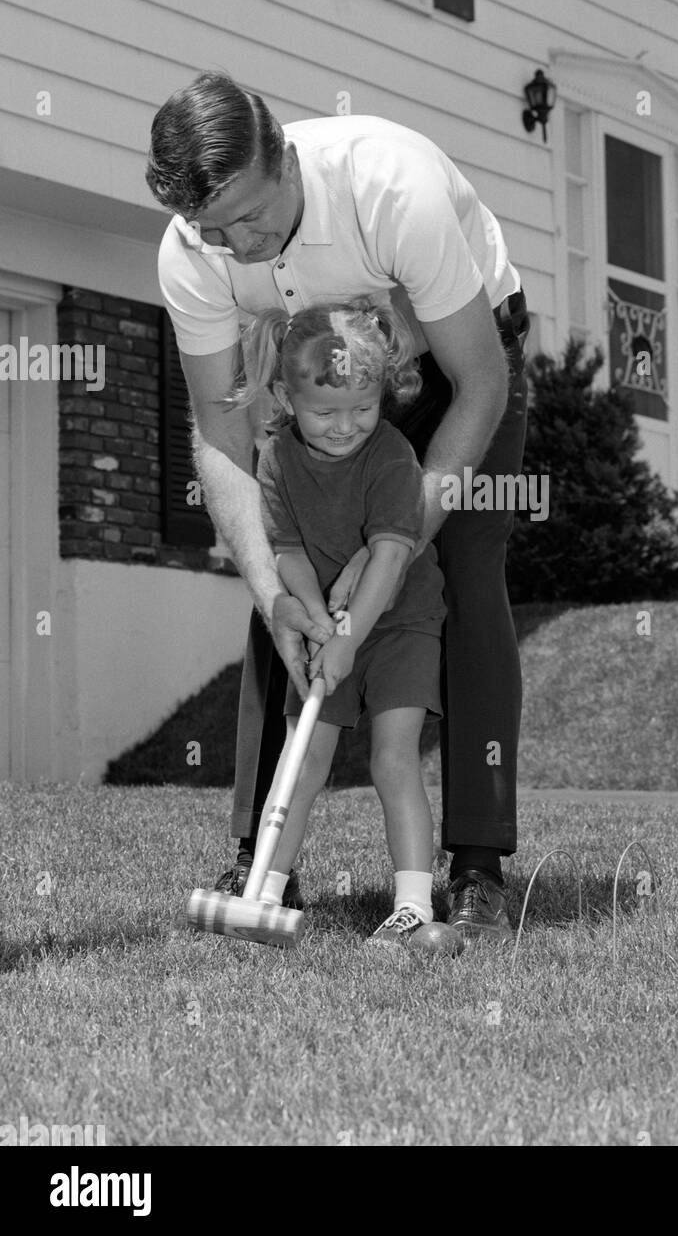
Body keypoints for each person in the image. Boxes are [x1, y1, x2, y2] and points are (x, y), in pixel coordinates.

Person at [146, 72, 528, 940]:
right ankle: (264, 861)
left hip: (449, 368)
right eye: (214, 230)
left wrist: (388, 558)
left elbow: (480, 384)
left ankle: (474, 865)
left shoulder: (393, 188)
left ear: (284, 157)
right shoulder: (190, 254)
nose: (237, 244)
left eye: (252, 216)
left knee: (462, 575)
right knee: (282, 573)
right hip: (311, 383)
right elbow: (222, 434)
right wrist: (275, 586)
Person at [232, 298, 445, 943]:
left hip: (400, 620)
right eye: (326, 411)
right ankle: (264, 891)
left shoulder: (390, 454)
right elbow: (288, 550)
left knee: (393, 758)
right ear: (285, 398)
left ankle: (414, 903)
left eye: (363, 407)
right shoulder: (275, 460)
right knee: (303, 759)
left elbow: (390, 553)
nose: (346, 426)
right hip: (329, 624)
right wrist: (321, 624)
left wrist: (351, 637)